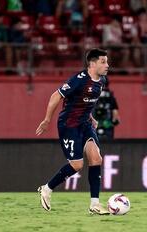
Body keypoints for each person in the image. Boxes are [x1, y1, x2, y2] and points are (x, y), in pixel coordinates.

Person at [36, 48, 110, 215]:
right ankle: (47, 188)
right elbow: (56, 96)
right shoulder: (79, 80)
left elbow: (83, 101)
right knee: (77, 165)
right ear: (92, 64)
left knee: (96, 158)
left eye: (107, 61)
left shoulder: (101, 81)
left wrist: (90, 117)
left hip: (85, 124)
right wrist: (47, 120)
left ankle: (95, 204)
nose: (107, 65)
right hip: (69, 125)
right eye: (103, 62)